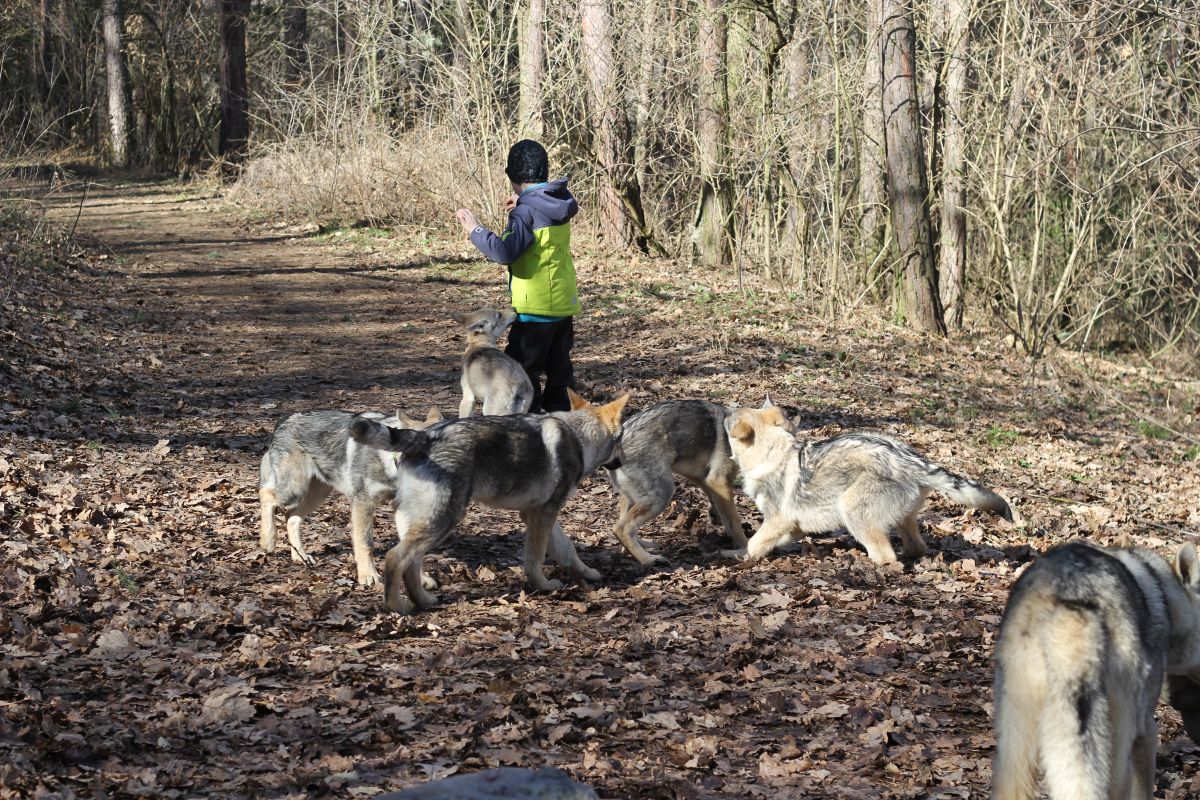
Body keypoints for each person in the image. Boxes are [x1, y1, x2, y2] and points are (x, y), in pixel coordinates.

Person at [455, 140, 580, 413]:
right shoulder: (559, 201)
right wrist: (523, 204)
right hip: (562, 304)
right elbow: (538, 219)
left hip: (534, 309)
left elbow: (504, 252)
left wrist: (476, 230)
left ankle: (529, 431)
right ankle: (564, 426)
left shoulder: (525, 212)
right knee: (560, 373)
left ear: (514, 178)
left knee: (521, 375)